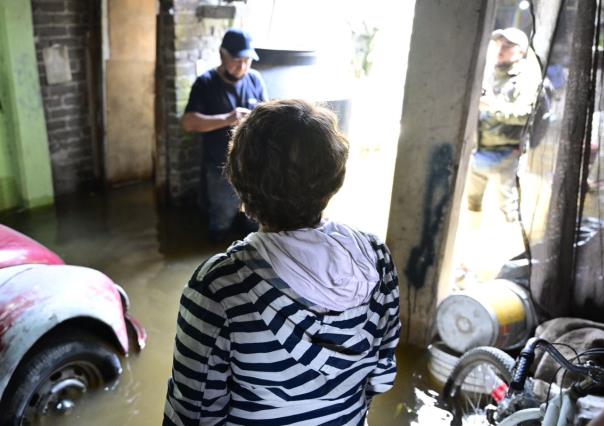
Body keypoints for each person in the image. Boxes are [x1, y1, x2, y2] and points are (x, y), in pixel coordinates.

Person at [164, 100, 401, 425]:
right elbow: (382, 375)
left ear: (238, 180)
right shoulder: (376, 257)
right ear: (335, 176)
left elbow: (193, 415)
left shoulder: (219, 288)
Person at [181, 28, 268, 242]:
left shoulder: (255, 79)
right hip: (220, 167)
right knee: (222, 218)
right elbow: (189, 122)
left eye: (248, 60)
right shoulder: (206, 83)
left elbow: (268, 114)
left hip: (252, 166)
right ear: (223, 55)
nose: (243, 66)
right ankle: (216, 255)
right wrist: (228, 118)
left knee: (253, 219)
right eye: (238, 60)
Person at [467, 27, 542, 222]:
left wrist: (492, 106)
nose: (500, 49)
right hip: (478, 151)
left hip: (506, 155)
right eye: (498, 44)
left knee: (509, 210)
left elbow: (526, 115)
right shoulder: (490, 71)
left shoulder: (527, 78)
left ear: (520, 51)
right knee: (472, 204)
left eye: (507, 46)